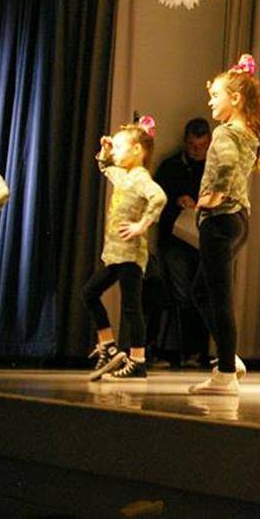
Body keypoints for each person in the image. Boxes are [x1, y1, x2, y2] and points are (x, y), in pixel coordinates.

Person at [188, 54, 260, 396]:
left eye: (215, 95)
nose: (210, 102)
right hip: (239, 220)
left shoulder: (224, 132)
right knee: (201, 291)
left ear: (235, 98)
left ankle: (225, 375)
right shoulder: (249, 133)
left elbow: (227, 165)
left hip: (220, 219)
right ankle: (228, 357)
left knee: (219, 297)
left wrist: (214, 195)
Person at [84, 116, 167, 381]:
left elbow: (159, 197)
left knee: (132, 307)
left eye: (121, 148)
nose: (116, 152)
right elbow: (105, 166)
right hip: (115, 255)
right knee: (89, 293)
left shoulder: (140, 178)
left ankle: (138, 361)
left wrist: (142, 224)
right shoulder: (125, 176)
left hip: (130, 255)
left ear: (137, 150)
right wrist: (106, 150)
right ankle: (108, 346)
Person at [151, 117, 212, 367]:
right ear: (185, 143)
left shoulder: (212, 168)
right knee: (182, 295)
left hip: (202, 241)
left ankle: (197, 351)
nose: (197, 151)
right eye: (192, 146)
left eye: (202, 146)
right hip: (174, 241)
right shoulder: (170, 167)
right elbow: (155, 205)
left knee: (202, 296)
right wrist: (177, 201)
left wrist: (199, 205)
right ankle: (187, 350)